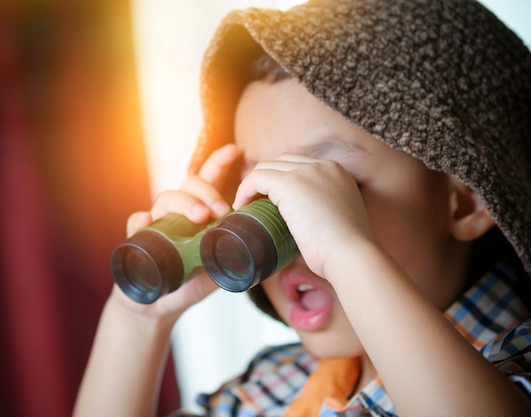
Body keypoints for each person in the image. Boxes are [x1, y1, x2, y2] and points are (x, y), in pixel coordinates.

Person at [73, 0, 531, 415]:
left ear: (467, 197)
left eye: (326, 186)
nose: (286, 223)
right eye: (253, 194)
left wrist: (344, 251)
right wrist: (137, 320)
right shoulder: (275, 387)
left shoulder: (511, 369)